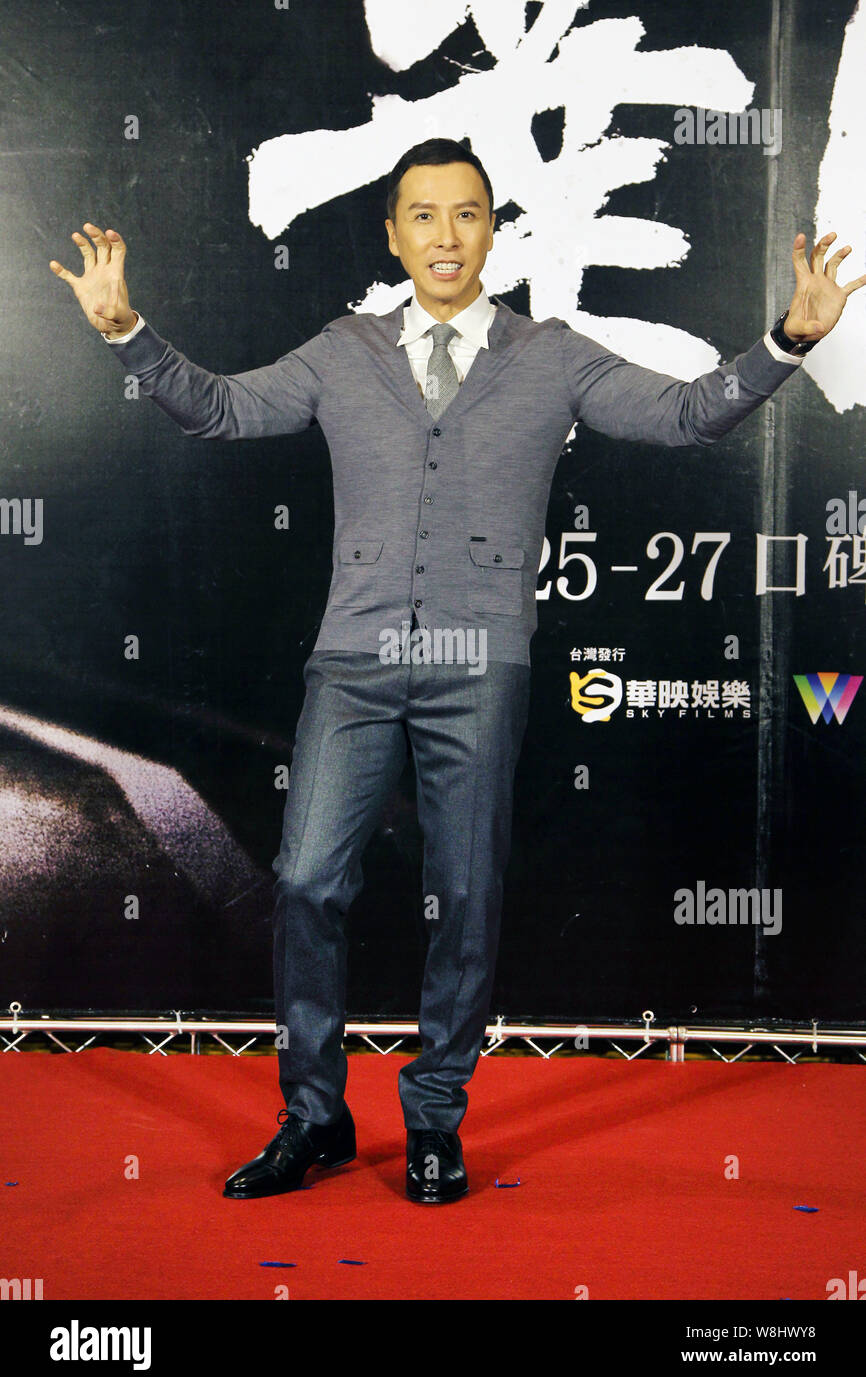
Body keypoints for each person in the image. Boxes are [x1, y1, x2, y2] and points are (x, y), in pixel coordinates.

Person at [50, 137, 865, 1205]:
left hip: (480, 667)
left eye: (466, 214)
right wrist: (127, 332)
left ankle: (434, 1118)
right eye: (422, 216)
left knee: (466, 893)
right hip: (351, 660)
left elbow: (682, 413)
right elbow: (220, 407)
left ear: (493, 230)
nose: (444, 235)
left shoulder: (551, 355)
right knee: (303, 880)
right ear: (392, 234)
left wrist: (786, 340)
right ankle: (315, 1115)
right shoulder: (344, 351)